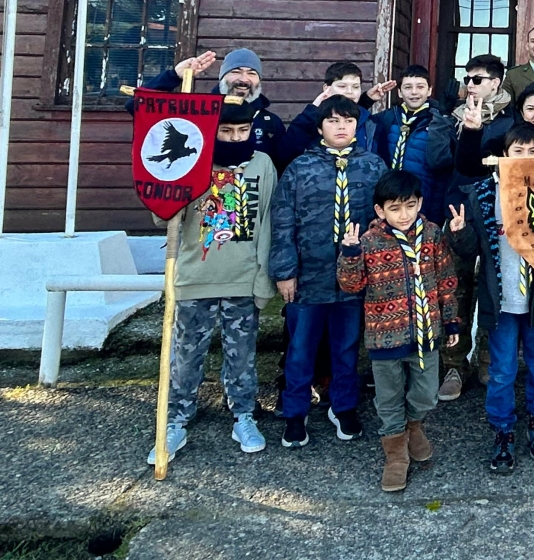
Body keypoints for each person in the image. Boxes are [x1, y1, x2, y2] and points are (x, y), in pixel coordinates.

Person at [147, 100, 276, 465]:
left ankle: (244, 414)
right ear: (213, 131)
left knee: (242, 355)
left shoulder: (262, 165)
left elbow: (267, 221)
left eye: (243, 131)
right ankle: (175, 419)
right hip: (194, 276)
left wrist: (262, 278)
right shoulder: (193, 161)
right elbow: (162, 216)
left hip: (242, 277)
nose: (236, 138)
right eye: (226, 131)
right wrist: (166, 186)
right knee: (185, 355)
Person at [269, 95, 388, 448]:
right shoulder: (300, 168)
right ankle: (295, 411)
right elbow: (282, 222)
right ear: (321, 126)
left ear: (357, 126)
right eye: (334, 121)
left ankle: (344, 405)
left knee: (347, 346)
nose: (341, 127)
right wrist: (284, 271)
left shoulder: (372, 166)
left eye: (348, 121)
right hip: (308, 278)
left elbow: (383, 223)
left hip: (353, 280)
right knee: (301, 348)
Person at [336, 170, 460, 491]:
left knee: (426, 393)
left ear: (419, 203)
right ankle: (395, 456)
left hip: (425, 334)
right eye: (394, 208)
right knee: (388, 399)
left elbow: (446, 280)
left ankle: (414, 426)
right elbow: (351, 285)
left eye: (409, 206)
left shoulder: (432, 235)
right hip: (384, 338)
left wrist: (451, 320)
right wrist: (349, 254)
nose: (403, 215)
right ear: (380, 211)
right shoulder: (369, 241)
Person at [445, 121, 534, 475]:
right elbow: (474, 247)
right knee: (503, 370)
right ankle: (502, 430)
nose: (525, 157)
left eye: (533, 151)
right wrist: (459, 234)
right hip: (502, 299)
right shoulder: (482, 193)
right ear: (503, 155)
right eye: (517, 151)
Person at [425, 53, 514, 403]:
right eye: (467, 79)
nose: (470, 85)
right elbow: (437, 160)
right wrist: (451, 123)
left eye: (477, 79)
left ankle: (488, 359)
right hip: (459, 207)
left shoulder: (511, 121)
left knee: (497, 286)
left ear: (496, 82)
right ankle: (453, 364)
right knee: (455, 286)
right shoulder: (452, 118)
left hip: (497, 211)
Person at [129, 48, 286, 163]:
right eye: (236, 71)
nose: (244, 79)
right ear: (222, 77)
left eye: (252, 73)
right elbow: (135, 106)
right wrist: (174, 76)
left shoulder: (270, 123)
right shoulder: (198, 112)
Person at [371, 65, 451, 225]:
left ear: (429, 90)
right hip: (389, 199)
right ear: (399, 92)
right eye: (408, 87)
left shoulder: (439, 122)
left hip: (423, 201)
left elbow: (443, 168)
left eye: (420, 87)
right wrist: (367, 99)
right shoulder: (388, 118)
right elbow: (353, 120)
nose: (414, 92)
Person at [279, 61, 396, 168]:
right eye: (342, 86)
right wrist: (312, 109)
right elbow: (286, 155)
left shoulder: (371, 123)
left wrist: (366, 100)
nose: (349, 92)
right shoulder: (312, 119)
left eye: (355, 87)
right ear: (326, 88)